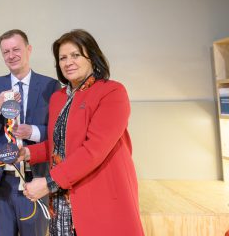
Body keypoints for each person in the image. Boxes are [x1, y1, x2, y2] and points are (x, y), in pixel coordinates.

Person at [19, 29, 145, 235]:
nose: (68, 62)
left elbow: (93, 150)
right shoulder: (58, 98)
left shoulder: (112, 92)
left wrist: (49, 183)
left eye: (75, 55)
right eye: (63, 58)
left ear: (92, 57)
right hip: (62, 204)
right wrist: (28, 154)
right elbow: (59, 144)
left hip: (99, 197)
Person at [0, 29, 60, 236]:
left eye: (16, 49)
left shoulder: (51, 85)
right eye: (6, 51)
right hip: (1, 183)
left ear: (29, 50)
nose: (11, 55)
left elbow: (60, 133)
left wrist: (33, 132)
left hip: (35, 180)